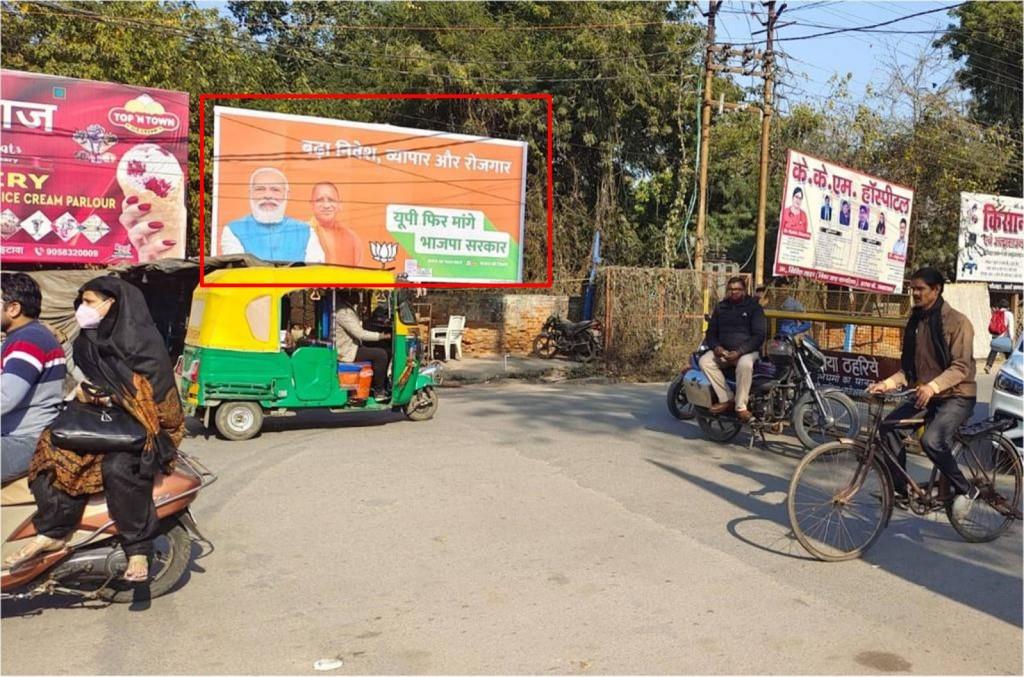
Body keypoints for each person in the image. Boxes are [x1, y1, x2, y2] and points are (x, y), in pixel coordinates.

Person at [3, 277, 185, 582]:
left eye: (89, 302)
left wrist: (112, 398)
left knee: (119, 467)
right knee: (51, 455)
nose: (82, 309)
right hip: (101, 421)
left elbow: (158, 397)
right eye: (81, 302)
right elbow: (79, 379)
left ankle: (137, 547)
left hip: (146, 427)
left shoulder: (142, 344)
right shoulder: (87, 341)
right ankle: (54, 532)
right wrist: (87, 394)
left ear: (112, 304)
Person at [868, 267, 978, 519]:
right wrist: (886, 384)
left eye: (920, 289)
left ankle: (966, 489)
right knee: (889, 428)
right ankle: (901, 491)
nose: (914, 293)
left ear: (936, 290)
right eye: (912, 288)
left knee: (930, 440)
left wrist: (933, 386)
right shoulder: (916, 321)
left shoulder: (958, 322)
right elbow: (908, 370)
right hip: (926, 394)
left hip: (957, 396)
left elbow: (961, 367)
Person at [1, 273, 66, 483]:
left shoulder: (28, 341)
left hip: (24, 440)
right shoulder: (26, 336)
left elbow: (5, 397)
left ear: (13, 308)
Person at [219, 167, 326, 263]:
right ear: (250, 193)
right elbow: (238, 273)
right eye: (260, 189)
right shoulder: (233, 230)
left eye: (275, 190)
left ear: (287, 195)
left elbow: (315, 273)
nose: (268, 195)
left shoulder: (306, 232)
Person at [699, 276, 767, 423]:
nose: (734, 292)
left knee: (745, 364)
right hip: (724, 352)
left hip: (746, 352)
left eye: (737, 289)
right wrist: (717, 347)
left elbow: (759, 336)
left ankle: (741, 407)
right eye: (730, 289)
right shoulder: (721, 307)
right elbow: (711, 332)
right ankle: (726, 398)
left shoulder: (754, 308)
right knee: (705, 361)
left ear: (744, 290)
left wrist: (740, 351)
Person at [334, 292, 391, 401]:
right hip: (347, 351)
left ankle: (377, 384)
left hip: (350, 346)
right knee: (381, 355)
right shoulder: (343, 312)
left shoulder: (346, 308)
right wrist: (381, 336)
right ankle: (379, 391)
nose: (359, 296)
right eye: (356, 292)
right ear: (349, 294)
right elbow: (359, 333)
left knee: (383, 348)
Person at [309, 182, 362, 266]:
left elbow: (359, 273)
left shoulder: (351, 238)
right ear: (312, 204)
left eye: (331, 200)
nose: (326, 205)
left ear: (339, 204)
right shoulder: (303, 235)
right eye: (320, 200)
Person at [985, 299, 1015, 374]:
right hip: (1005, 338)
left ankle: (988, 365)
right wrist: (1012, 339)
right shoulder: (1009, 314)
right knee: (1009, 352)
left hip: (996, 337)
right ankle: (1012, 368)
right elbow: (1010, 328)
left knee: (994, 350)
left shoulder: (996, 313)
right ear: (1007, 307)